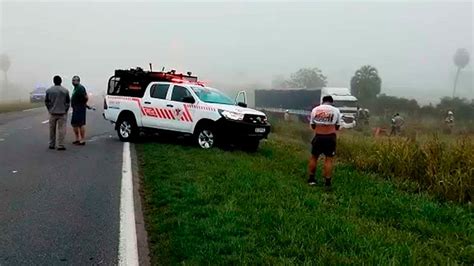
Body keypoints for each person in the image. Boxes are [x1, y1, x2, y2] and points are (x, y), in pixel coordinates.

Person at [307, 96, 342, 188]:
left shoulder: (315, 109)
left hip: (318, 136)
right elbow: (337, 126)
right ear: (331, 102)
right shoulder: (336, 110)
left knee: (314, 157)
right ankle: (327, 182)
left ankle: (311, 179)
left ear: (323, 101)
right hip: (330, 137)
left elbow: (313, 125)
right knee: (328, 159)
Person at [45, 75, 70, 150]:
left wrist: (50, 109)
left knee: (52, 129)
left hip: (52, 112)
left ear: (54, 81)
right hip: (62, 112)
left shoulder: (49, 90)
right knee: (61, 130)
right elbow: (68, 102)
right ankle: (60, 145)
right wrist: (65, 110)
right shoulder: (65, 90)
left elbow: (46, 101)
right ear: (61, 81)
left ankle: (51, 144)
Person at [71, 76, 88, 145]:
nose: (74, 82)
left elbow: (86, 97)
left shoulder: (80, 88)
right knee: (74, 124)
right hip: (75, 108)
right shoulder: (75, 88)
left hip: (80, 108)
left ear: (78, 81)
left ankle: (82, 139)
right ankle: (77, 138)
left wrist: (83, 104)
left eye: (75, 80)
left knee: (81, 124)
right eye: (73, 80)